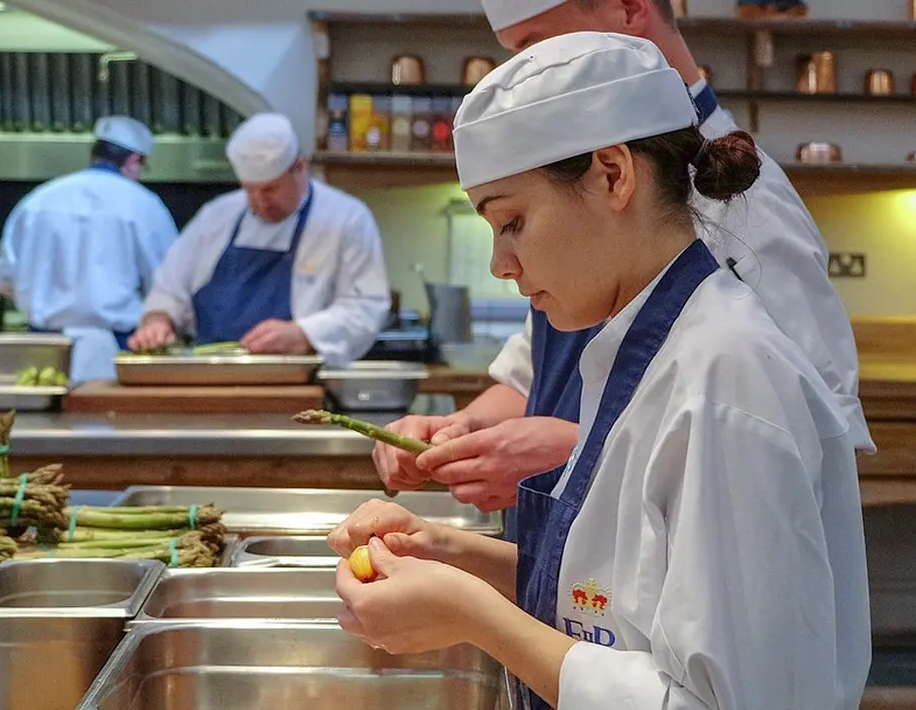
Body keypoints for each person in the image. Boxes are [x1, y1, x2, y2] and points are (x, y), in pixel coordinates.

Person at [330, 33, 870, 710]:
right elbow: (627, 600)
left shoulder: (725, 379)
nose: (500, 264)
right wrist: (454, 556)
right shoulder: (637, 349)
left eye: (513, 222)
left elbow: (719, 701)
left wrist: (472, 616)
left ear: (613, 175)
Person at [372, 0, 873, 513]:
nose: (520, 72)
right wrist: (466, 431)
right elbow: (543, 373)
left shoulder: (741, 206)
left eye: (533, 44)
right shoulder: (571, 210)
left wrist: (579, 451)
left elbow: (808, 438)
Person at [127, 113, 390, 367]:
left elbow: (366, 307)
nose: (259, 202)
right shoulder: (216, 216)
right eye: (249, 189)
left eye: (270, 189)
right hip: (209, 378)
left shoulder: (346, 219)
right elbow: (169, 289)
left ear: (299, 167)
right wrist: (157, 321)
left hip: (299, 385)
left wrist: (303, 334)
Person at [0, 116, 178, 382]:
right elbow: (168, 281)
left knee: (46, 421)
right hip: (121, 349)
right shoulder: (143, 205)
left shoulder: (38, 200)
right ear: (134, 160)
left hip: (44, 353)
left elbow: (3, 277)